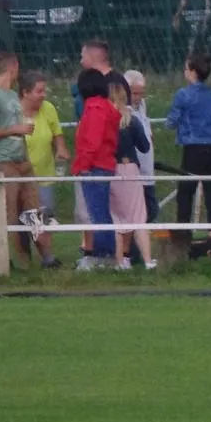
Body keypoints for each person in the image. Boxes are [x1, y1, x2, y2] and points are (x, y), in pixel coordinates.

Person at [0, 50, 42, 266]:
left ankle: (41, 257)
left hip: (21, 162)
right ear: (12, 67)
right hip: (2, 162)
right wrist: (14, 129)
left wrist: (25, 154)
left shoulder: (13, 96)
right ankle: (7, 260)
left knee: (33, 210)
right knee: (9, 213)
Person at [166, 55, 211, 256]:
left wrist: (175, 122)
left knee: (186, 191)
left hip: (194, 146)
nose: (184, 72)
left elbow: (171, 121)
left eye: (186, 69)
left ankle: (183, 235)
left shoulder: (184, 95)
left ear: (193, 72)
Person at [70, 69, 120, 271]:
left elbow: (92, 141)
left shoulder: (95, 107)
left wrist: (82, 165)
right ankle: (105, 254)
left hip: (94, 166)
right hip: (103, 165)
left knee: (97, 212)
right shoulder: (105, 106)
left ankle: (102, 256)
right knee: (100, 211)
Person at [19, 70, 67, 268]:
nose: (43, 95)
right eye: (39, 91)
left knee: (43, 217)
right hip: (22, 176)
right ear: (25, 92)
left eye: (44, 90)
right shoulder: (13, 112)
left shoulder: (48, 108)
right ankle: (32, 259)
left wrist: (61, 149)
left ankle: (47, 258)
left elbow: (57, 133)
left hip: (45, 175)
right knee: (28, 218)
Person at [106, 76, 154, 271]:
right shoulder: (130, 120)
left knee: (117, 217)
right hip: (129, 168)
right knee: (138, 216)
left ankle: (120, 261)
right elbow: (144, 146)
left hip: (109, 169)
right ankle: (148, 260)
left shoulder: (104, 120)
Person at [124, 71, 158, 230]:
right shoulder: (124, 112)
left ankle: (139, 237)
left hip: (147, 168)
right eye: (134, 93)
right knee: (139, 212)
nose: (137, 97)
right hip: (133, 169)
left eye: (141, 93)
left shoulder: (142, 106)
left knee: (151, 210)